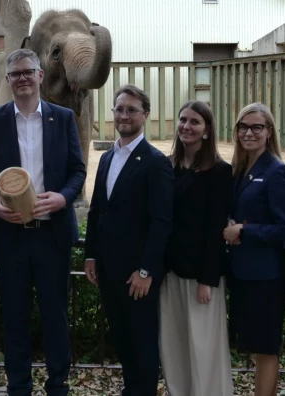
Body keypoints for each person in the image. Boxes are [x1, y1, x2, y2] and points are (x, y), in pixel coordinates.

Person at [0, 48, 86, 396]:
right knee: (15, 318)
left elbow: (78, 170)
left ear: (40, 76)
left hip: (51, 235)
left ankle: (58, 386)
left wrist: (63, 198)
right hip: (10, 237)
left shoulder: (64, 117)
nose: (22, 78)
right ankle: (18, 387)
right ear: (7, 81)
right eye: (15, 74)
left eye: (28, 72)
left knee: (56, 317)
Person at [84, 84, 174, 396]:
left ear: (145, 115)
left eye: (131, 110)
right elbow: (97, 209)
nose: (124, 115)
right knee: (122, 339)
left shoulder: (155, 162)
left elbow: (162, 221)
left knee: (142, 342)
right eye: (119, 109)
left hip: (138, 275)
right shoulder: (108, 157)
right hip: (109, 270)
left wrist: (146, 270)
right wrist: (91, 255)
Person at [159, 100, 233, 396]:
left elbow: (216, 230)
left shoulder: (218, 171)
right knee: (174, 346)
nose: (186, 126)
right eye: (182, 120)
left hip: (201, 278)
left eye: (194, 122)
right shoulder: (169, 166)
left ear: (206, 130)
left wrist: (207, 279)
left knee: (204, 348)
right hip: (170, 273)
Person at [225, 103, 285, 396]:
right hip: (242, 274)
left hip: (266, 277)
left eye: (257, 127)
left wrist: (244, 230)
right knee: (252, 345)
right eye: (243, 126)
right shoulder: (240, 169)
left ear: (269, 132)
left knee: (266, 348)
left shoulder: (276, 171)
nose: (249, 133)